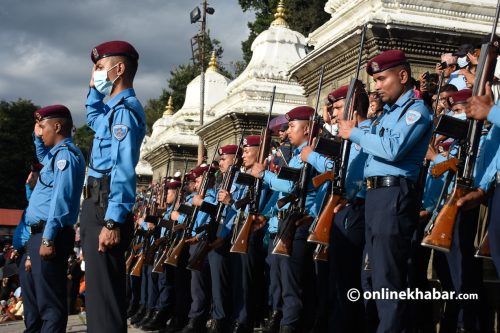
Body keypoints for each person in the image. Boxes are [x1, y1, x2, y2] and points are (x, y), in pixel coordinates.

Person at [338, 49, 433, 332]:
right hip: (376, 196)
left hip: (394, 195)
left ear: (403, 76)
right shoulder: (387, 115)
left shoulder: (416, 111)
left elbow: (391, 150)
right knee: (374, 277)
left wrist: (354, 133)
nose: (377, 87)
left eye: (382, 79)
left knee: (388, 277)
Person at [80, 40, 146, 333]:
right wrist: (93, 88)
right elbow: (92, 117)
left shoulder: (124, 113)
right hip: (97, 200)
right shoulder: (112, 110)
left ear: (118, 70)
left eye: (99, 67)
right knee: (98, 294)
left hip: (106, 203)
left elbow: (122, 169)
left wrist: (112, 220)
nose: (95, 73)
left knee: (105, 296)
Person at [23, 104, 85, 332]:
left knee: (50, 305)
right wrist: (37, 133)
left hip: (51, 235)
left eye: (43, 127)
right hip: (41, 234)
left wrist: (48, 238)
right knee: (39, 301)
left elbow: (60, 200)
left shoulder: (65, 156)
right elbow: (42, 152)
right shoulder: (55, 155)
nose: (40, 131)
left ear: (57, 126)